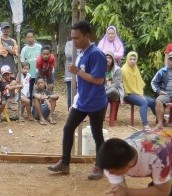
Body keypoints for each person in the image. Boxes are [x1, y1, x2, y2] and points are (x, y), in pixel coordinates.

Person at [47, 20, 108, 180]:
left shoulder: (96, 54)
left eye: (77, 38)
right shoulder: (83, 52)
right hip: (82, 101)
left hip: (96, 102)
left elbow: (98, 80)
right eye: (72, 38)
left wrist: (77, 72)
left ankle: (99, 168)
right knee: (68, 128)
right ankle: (65, 163)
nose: (74, 41)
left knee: (97, 134)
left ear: (87, 36)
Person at [122, 51, 156, 130]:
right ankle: (145, 125)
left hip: (137, 93)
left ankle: (161, 120)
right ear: (127, 59)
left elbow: (139, 83)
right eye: (130, 59)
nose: (132, 61)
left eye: (134, 59)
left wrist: (140, 93)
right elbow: (128, 86)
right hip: (128, 94)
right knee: (144, 102)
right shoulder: (124, 70)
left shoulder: (135, 68)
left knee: (153, 102)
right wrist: (139, 95)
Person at [20, 30, 42, 102]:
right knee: (29, 91)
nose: (30, 39)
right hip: (29, 75)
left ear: (34, 37)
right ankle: (30, 106)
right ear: (26, 38)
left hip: (39, 73)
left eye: (31, 37)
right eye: (28, 37)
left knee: (40, 90)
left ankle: (40, 107)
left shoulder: (39, 47)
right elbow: (22, 62)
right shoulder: (24, 49)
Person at [64, 40, 73, 110]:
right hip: (70, 73)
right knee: (70, 92)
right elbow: (68, 54)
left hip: (81, 73)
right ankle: (70, 110)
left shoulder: (83, 44)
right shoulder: (69, 43)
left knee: (80, 93)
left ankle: (79, 112)